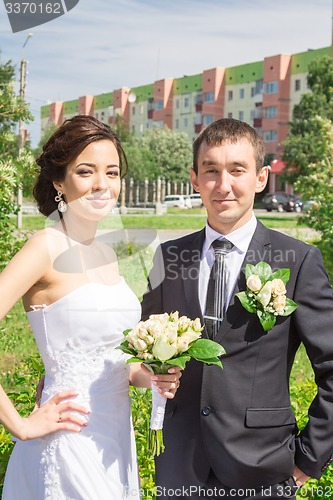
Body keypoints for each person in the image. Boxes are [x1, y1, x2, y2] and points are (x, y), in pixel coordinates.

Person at [141, 118, 333, 499]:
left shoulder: (298, 260)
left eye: (237, 170)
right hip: (180, 466)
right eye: (211, 171)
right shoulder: (168, 257)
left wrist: (308, 461)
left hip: (263, 468)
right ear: (195, 179)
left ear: (260, 178)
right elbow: (143, 347)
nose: (223, 185)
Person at [1, 115, 181, 499]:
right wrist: (18, 424)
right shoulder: (45, 247)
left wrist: (149, 376)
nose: (102, 184)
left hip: (114, 441)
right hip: (67, 438)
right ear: (58, 182)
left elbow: (115, 359)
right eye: (86, 171)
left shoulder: (109, 254)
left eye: (112, 172)